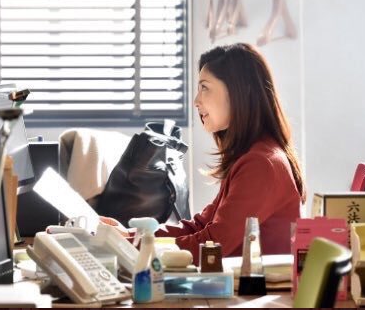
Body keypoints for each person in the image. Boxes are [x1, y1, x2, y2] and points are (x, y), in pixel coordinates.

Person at [103, 43, 305, 263]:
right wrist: (130, 236)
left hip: (253, 284)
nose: (196, 101)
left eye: (205, 88)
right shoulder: (254, 156)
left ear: (240, 91)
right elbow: (200, 226)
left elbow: (213, 245)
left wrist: (134, 243)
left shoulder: (261, 163)